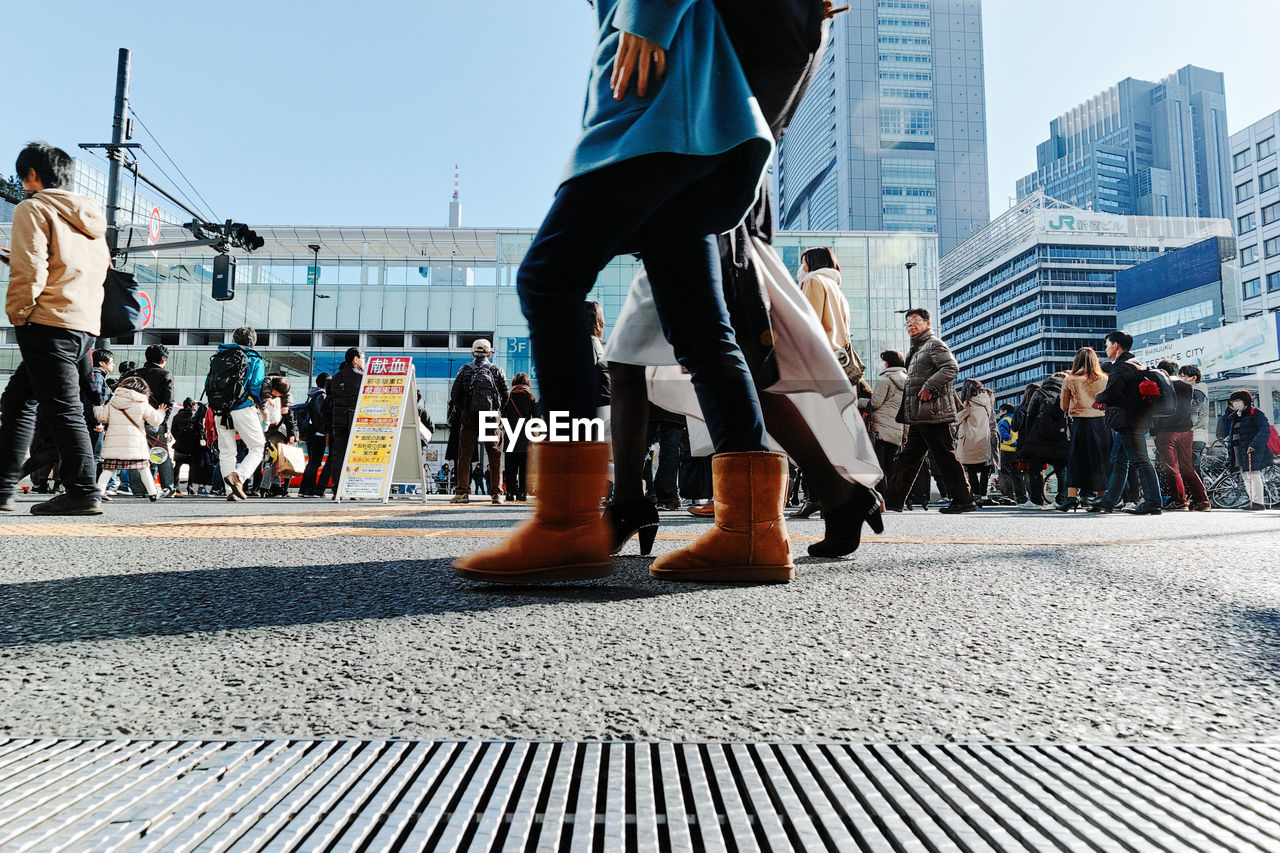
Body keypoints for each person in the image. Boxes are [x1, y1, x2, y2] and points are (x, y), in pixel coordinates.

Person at [0, 143, 109, 515]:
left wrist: (19, 314)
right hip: (82, 325)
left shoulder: (33, 207)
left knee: (63, 410)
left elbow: (30, 269)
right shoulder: (90, 218)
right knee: (18, 400)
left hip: (47, 321)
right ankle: (2, 487)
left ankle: (82, 491)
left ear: (31, 175)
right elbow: (89, 271)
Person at [882, 308, 975, 513]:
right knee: (909, 458)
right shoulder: (916, 350)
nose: (910, 325)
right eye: (907, 322)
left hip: (933, 412)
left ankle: (963, 499)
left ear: (927, 323)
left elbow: (951, 368)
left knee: (944, 455)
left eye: (915, 320)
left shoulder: (934, 344)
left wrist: (929, 387)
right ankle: (893, 500)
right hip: (919, 414)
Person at [1091, 330, 1162, 515]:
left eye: (1107, 345)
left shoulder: (1121, 366)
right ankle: (1109, 500)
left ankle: (1153, 501)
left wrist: (1098, 396)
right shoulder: (1137, 364)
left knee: (1140, 461)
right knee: (1119, 461)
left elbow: (1112, 392)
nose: (1106, 349)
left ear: (1116, 346)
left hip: (1129, 420)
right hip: (1136, 418)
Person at [205, 326, 266, 501]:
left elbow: (208, 382)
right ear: (253, 341)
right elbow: (255, 386)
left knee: (226, 452)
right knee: (257, 446)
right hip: (243, 407)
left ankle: (229, 491)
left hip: (220, 409)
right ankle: (239, 477)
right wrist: (260, 404)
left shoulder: (219, 356)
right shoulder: (254, 358)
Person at [448, 339, 508, 505]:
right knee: (495, 455)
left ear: (473, 353)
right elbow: (506, 394)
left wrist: (464, 410)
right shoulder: (497, 370)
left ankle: (461, 493)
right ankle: (496, 494)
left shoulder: (465, 369)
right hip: (491, 417)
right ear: (489, 354)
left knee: (464, 455)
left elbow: (454, 394)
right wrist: (497, 409)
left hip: (469, 416)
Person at [92, 375, 166, 502]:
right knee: (144, 468)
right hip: (135, 444)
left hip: (114, 443)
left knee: (109, 468)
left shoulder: (114, 401)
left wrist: (98, 407)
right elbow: (155, 421)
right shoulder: (142, 403)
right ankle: (153, 493)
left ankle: (99, 492)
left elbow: (102, 417)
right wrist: (161, 412)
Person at [1151, 360, 1210, 511]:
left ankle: (1179, 501)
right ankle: (1203, 501)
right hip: (1187, 431)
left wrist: (1153, 430)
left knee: (1172, 467)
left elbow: (1156, 410)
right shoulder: (1187, 386)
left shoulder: (1161, 385)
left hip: (1166, 431)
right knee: (1187, 467)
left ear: (1162, 371)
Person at [1057, 346, 1109, 511]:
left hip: (1080, 423)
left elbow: (1064, 406)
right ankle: (1100, 498)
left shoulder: (1070, 379)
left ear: (1076, 361)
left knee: (1076, 460)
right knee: (1100, 460)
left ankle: (1071, 498)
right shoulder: (1105, 379)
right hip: (1102, 423)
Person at [127, 344, 177, 498]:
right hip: (154, 422)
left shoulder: (134, 374)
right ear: (163, 360)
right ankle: (168, 488)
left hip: (134, 421)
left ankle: (138, 490)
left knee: (136, 454)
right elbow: (168, 402)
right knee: (160, 454)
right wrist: (162, 421)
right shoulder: (165, 375)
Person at [1017, 373, 1070, 509]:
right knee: (1061, 468)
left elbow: (1030, 415)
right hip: (1060, 435)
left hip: (1039, 436)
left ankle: (1036, 500)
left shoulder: (1039, 392)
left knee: (1035, 468)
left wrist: (1029, 436)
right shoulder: (1067, 390)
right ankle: (1060, 500)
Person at [1217, 390, 1273, 510]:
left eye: (1238, 401)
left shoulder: (1255, 413)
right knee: (1245, 475)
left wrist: (1254, 444)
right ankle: (1253, 501)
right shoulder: (1235, 416)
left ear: (1245, 401)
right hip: (1238, 450)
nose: (1236, 403)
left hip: (1252, 449)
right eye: (1234, 401)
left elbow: (1265, 430)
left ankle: (1258, 502)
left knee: (1253, 474)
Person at [321, 347, 364, 498]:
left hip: (337, 422)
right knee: (356, 455)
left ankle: (337, 488)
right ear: (355, 359)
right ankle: (353, 488)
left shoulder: (335, 378)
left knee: (338, 454)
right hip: (355, 422)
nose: (364, 362)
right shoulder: (362, 377)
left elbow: (329, 402)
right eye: (363, 358)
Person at [863, 351, 906, 479]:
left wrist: (859, 401)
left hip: (880, 430)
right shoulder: (907, 380)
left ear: (887, 363)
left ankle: (881, 495)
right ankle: (894, 495)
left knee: (878, 465)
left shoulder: (885, 378)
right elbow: (906, 411)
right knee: (891, 466)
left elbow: (875, 403)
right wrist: (905, 434)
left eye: (882, 361)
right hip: (897, 430)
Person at [954, 378, 994, 504]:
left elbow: (957, 419)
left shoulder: (968, 403)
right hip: (983, 439)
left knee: (971, 470)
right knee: (984, 468)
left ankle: (976, 495)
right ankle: (983, 495)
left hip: (970, 440)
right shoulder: (987, 401)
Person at [501, 372, 537, 502]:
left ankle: (510, 492)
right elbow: (536, 418)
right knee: (524, 468)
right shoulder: (530, 398)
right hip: (525, 437)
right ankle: (522, 493)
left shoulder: (508, 398)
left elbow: (502, 416)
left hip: (510, 436)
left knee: (510, 467)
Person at [298, 372, 329, 497]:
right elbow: (320, 415)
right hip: (318, 432)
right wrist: (325, 429)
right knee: (315, 462)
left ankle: (303, 489)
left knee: (312, 462)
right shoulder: (322, 395)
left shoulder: (312, 394)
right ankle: (309, 490)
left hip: (311, 431)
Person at [1179, 364, 1211, 480]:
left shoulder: (1197, 392)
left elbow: (1192, 413)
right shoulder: (1196, 390)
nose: (1181, 379)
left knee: (1192, 467)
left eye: (1183, 376)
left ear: (1193, 377)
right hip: (1195, 434)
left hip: (1196, 435)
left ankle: (1200, 494)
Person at [86, 348, 115, 474]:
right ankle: (90, 485)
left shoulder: (94, 375)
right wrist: (97, 422)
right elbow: (94, 399)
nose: (113, 364)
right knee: (95, 456)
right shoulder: (97, 376)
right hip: (95, 423)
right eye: (112, 362)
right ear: (102, 363)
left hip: (91, 421)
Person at [170, 398, 204, 496]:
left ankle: (176, 487)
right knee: (192, 467)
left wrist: (179, 438)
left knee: (177, 466)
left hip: (180, 445)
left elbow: (173, 431)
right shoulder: (196, 416)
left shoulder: (177, 416)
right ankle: (190, 487)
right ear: (193, 406)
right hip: (193, 445)